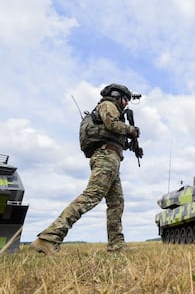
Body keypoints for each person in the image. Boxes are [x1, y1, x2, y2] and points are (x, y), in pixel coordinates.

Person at [30, 83, 139, 255]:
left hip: (112, 159)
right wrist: (130, 130)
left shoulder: (113, 107)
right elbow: (112, 125)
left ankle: (116, 245)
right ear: (116, 95)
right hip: (106, 157)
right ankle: (49, 238)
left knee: (116, 203)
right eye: (125, 99)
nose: (126, 103)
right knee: (92, 195)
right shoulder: (108, 104)